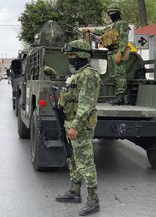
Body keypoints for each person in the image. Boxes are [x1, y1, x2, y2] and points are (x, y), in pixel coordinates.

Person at [55, 39, 101, 216]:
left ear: (82, 55)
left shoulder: (88, 74)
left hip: (80, 124)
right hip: (70, 121)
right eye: (69, 55)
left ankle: (93, 200)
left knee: (85, 162)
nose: (70, 58)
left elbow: (86, 104)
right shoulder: (78, 74)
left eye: (73, 55)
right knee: (72, 158)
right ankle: (74, 191)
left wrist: (75, 126)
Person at [83, 3, 129, 105]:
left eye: (114, 12)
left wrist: (120, 52)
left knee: (119, 75)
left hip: (117, 51)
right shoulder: (111, 26)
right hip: (111, 52)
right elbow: (102, 32)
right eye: (110, 12)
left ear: (118, 13)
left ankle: (121, 97)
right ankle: (118, 96)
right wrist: (91, 30)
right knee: (113, 75)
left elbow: (124, 39)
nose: (112, 14)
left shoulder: (122, 24)